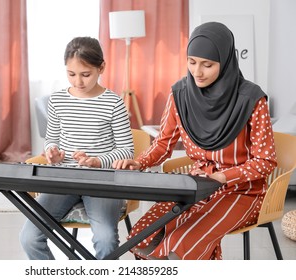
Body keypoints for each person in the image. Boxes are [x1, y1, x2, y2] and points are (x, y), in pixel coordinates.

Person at [112, 22, 277, 260]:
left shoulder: (250, 99)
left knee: (181, 245)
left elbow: (266, 161)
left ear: (226, 61)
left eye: (207, 65)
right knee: (142, 236)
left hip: (241, 192)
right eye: (191, 62)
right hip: (196, 187)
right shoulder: (180, 94)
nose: (197, 72)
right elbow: (163, 144)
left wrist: (222, 177)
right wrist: (139, 162)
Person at [20, 36, 134, 260]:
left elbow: (126, 151)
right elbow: (51, 139)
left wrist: (96, 161)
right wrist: (52, 152)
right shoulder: (57, 100)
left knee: (106, 239)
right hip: (65, 178)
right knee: (29, 237)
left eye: (85, 74)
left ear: (101, 67)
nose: (78, 82)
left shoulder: (113, 103)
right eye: (71, 74)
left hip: (102, 181)